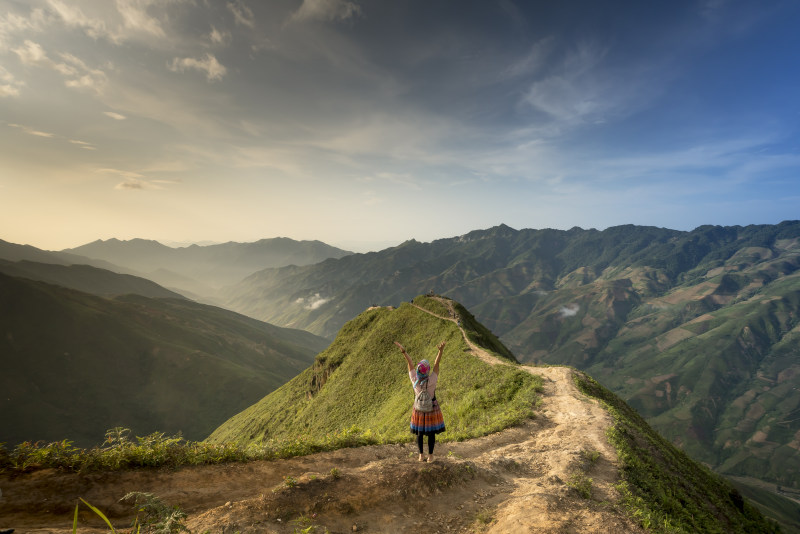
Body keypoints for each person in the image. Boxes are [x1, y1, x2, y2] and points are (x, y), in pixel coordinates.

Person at [394, 340, 446, 462]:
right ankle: (431, 456)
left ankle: (421, 455)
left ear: (418, 371)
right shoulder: (432, 379)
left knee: (420, 433)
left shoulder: (414, 379)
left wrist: (404, 352)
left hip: (418, 409)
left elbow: (410, 363)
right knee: (431, 433)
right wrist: (440, 351)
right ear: (427, 371)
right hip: (431, 408)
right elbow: (436, 364)